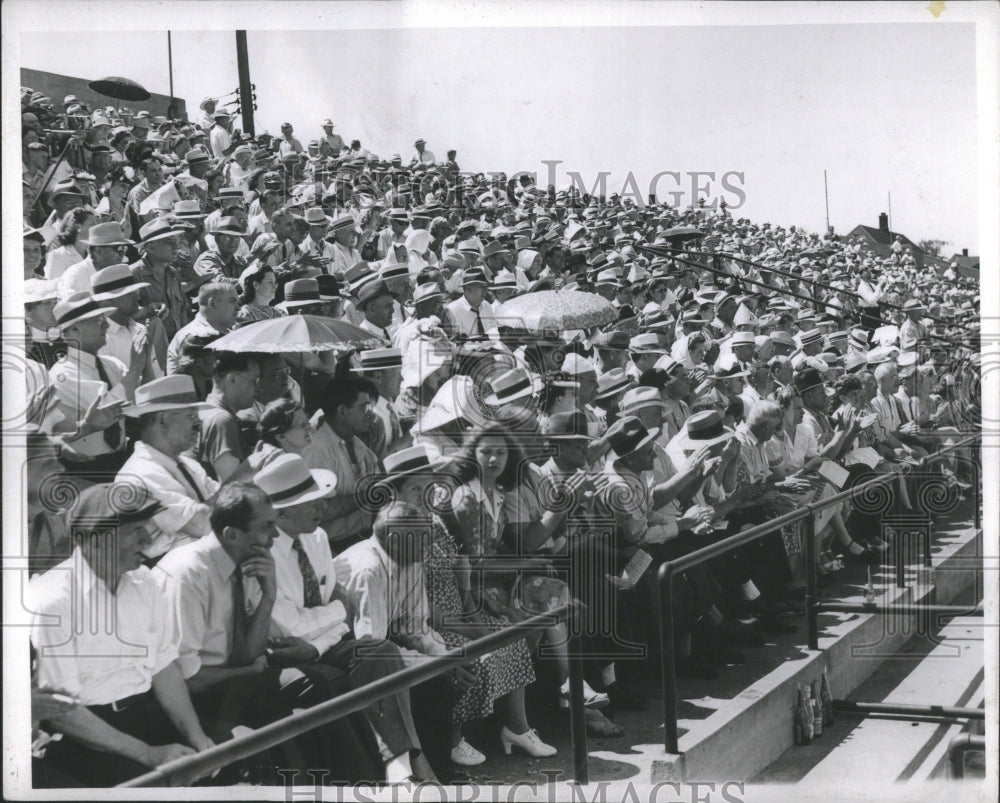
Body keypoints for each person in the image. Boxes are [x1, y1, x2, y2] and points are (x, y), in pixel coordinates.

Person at [253, 453, 436, 782]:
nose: (322, 508)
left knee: (381, 652)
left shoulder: (318, 537)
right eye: (311, 503)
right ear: (281, 513)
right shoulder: (263, 553)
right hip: (286, 654)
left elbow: (340, 609)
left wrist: (320, 637)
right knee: (335, 678)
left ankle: (403, 764)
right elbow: (289, 628)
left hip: (320, 645)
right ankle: (397, 770)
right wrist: (331, 618)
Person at [30, 484, 215, 787]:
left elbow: (164, 668)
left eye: (149, 529)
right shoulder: (52, 600)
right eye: (136, 530)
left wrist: (198, 739)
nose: (147, 540)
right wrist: (150, 755)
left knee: (235, 754)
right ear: (95, 539)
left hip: (149, 717)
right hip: (88, 739)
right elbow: (62, 712)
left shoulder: (144, 580)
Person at [117, 375, 219, 564]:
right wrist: (244, 475)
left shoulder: (189, 466)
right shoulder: (141, 473)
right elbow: (201, 524)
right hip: (164, 578)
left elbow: (229, 505)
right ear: (162, 420)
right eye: (191, 415)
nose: (199, 423)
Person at [49, 292, 148, 478]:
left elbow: (138, 401)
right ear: (75, 330)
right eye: (97, 320)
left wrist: (144, 358)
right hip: (87, 470)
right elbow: (107, 408)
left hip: (121, 459)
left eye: (104, 318)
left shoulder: (112, 364)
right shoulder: (62, 373)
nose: (106, 324)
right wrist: (136, 368)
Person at [304, 376, 381, 547]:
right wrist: (367, 496)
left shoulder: (359, 447)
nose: (371, 414)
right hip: (334, 547)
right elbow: (317, 511)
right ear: (342, 411)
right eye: (364, 407)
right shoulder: (317, 449)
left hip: (365, 539)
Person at [191, 351, 260, 482]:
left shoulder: (207, 412)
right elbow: (235, 485)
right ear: (232, 379)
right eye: (254, 380)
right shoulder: (221, 420)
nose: (259, 387)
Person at [166, 282, 238, 375]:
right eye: (232, 301)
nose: (238, 308)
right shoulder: (194, 337)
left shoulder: (227, 333)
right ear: (212, 303)